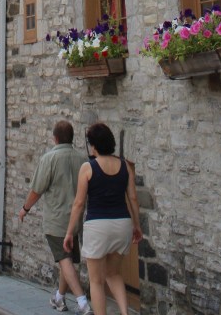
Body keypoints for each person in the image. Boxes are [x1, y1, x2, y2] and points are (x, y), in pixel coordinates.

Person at [63, 123, 142, 315]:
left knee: (96, 281)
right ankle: (125, 312)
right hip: (122, 224)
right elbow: (132, 198)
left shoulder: (88, 167)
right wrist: (137, 226)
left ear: (94, 146)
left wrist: (69, 232)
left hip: (97, 226)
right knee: (113, 273)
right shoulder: (125, 166)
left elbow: (79, 203)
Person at [19, 120, 92, 314]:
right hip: (75, 220)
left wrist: (25, 209)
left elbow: (37, 189)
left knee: (63, 260)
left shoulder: (49, 159)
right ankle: (59, 298)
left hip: (56, 219)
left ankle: (82, 302)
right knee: (65, 258)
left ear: (55, 138)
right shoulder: (81, 159)